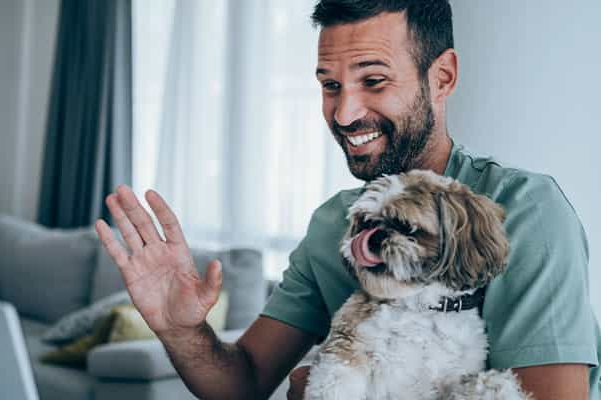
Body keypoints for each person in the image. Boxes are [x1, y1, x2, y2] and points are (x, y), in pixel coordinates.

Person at [94, 1, 601, 399]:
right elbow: (241, 383)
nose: (342, 113)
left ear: (442, 76)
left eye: (373, 81)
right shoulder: (334, 221)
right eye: (330, 85)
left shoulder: (525, 211)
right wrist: (181, 329)